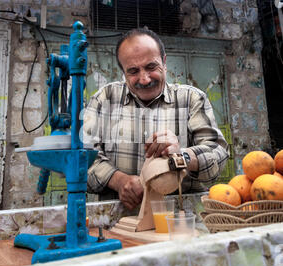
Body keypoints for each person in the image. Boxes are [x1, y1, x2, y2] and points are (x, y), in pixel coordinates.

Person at [84, 28, 229, 210]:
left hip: (181, 216)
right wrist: (119, 181)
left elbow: (218, 155)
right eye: (133, 71)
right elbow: (82, 158)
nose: (144, 79)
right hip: (119, 218)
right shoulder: (104, 99)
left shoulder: (191, 99)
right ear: (123, 72)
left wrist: (181, 156)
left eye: (151, 67)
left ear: (164, 61)